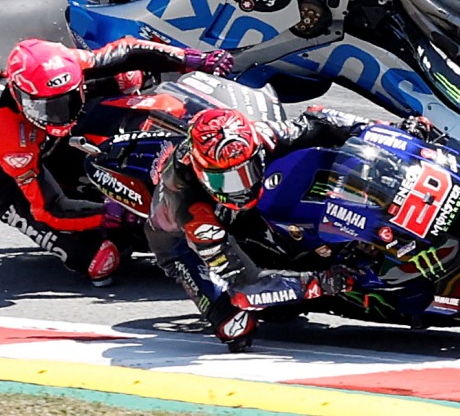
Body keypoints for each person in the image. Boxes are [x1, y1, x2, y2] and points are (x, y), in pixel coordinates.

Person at [145, 104, 441, 349]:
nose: (243, 184)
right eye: (230, 179)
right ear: (203, 173)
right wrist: (323, 282)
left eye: (248, 170)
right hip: (179, 241)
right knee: (234, 326)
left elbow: (319, 120)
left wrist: (389, 130)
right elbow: (248, 286)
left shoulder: (260, 137)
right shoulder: (194, 212)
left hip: (242, 199)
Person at [0, 36, 234, 287]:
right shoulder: (10, 142)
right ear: (22, 98)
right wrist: (111, 214)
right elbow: (49, 210)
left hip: (46, 139)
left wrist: (191, 59)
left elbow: (127, 51)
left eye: (68, 100)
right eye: (47, 108)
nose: (59, 114)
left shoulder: (66, 63)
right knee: (100, 262)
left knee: (129, 77)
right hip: (6, 184)